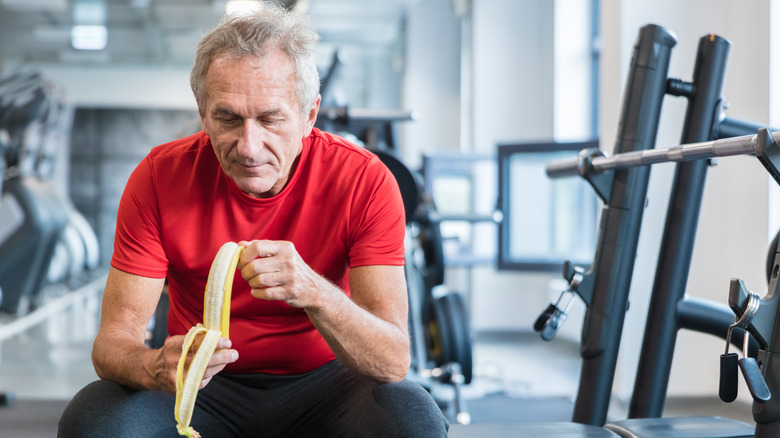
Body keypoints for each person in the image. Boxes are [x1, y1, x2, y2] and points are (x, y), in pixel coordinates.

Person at [58, 4, 448, 437]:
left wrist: (314, 290)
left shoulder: (364, 180)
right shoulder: (158, 177)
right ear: (203, 112)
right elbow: (112, 343)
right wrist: (152, 366)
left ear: (309, 116)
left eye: (270, 118)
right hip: (201, 384)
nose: (248, 146)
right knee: (93, 418)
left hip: (329, 384)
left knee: (413, 419)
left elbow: (393, 359)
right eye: (227, 118)